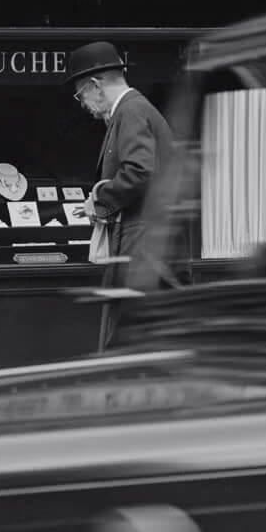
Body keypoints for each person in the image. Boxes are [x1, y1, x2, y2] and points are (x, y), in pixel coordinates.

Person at [67, 41, 176, 350]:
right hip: (149, 246)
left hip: (141, 247)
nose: (82, 103)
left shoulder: (130, 111)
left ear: (95, 85)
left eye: (80, 94)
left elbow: (140, 170)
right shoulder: (136, 110)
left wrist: (101, 202)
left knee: (133, 343)